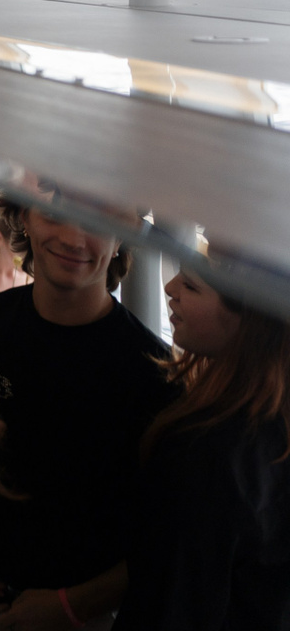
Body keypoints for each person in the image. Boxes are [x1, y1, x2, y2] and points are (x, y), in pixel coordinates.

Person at [0, 200, 175, 630]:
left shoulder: (154, 375)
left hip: (88, 610)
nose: (73, 238)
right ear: (25, 217)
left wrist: (71, 606)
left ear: (122, 236)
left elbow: (168, 535)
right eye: (55, 214)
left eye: (96, 222)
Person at [115, 263, 290, 630]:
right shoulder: (273, 426)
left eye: (192, 287)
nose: (169, 287)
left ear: (251, 320)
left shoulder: (207, 449)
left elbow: (173, 602)